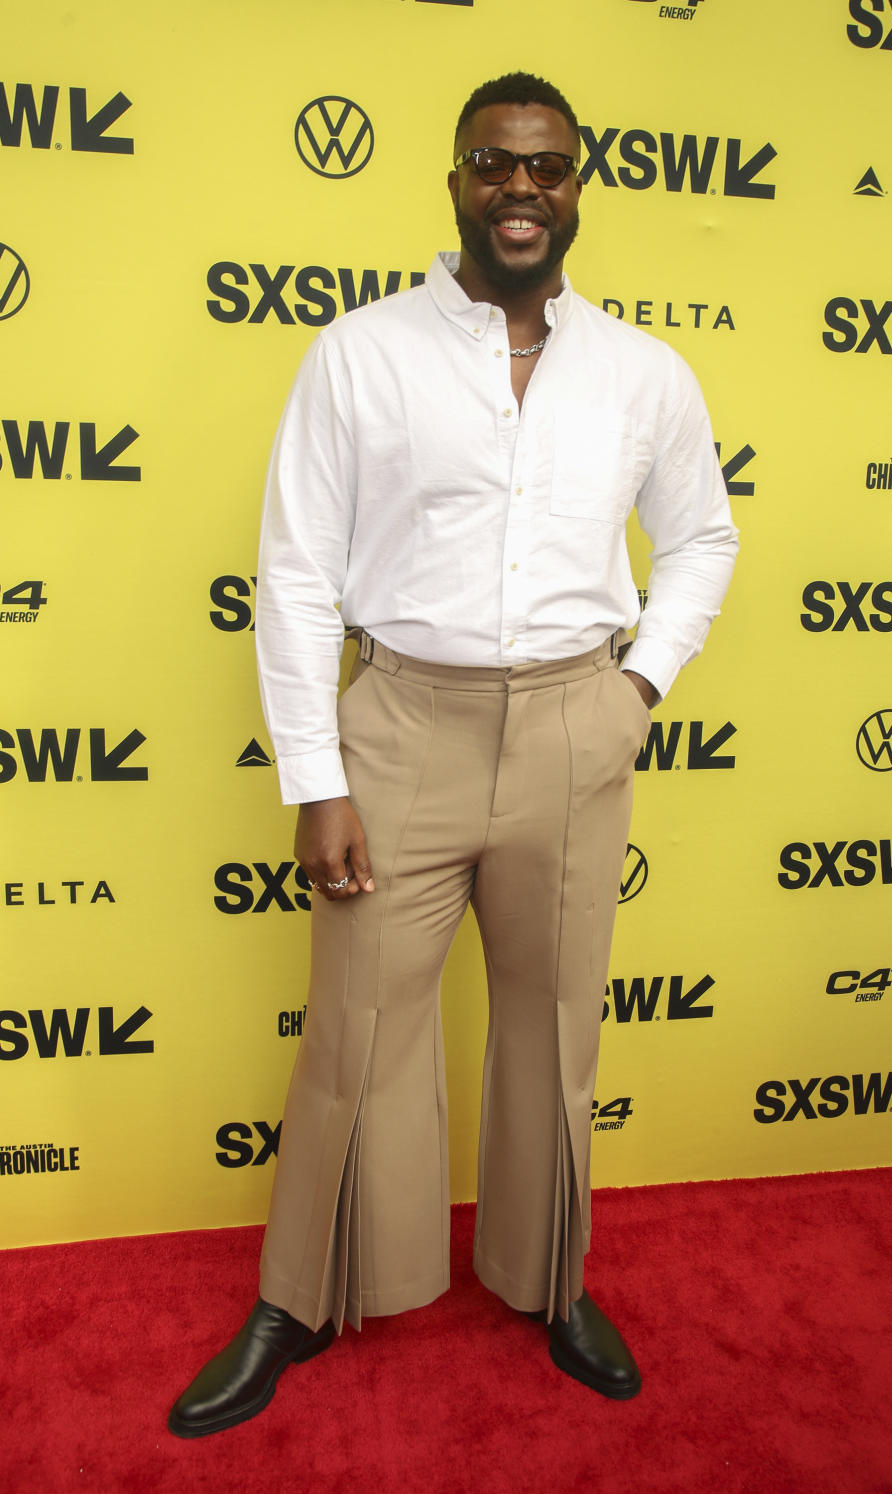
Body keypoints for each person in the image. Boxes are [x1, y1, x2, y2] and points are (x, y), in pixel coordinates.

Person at [169, 70, 738, 1438]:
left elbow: (703, 535)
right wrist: (318, 775)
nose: (521, 188)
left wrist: (640, 684)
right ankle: (299, 1296)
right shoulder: (359, 353)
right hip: (402, 728)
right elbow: (298, 573)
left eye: (546, 165)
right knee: (356, 1026)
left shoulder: (642, 371)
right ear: (457, 183)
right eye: (494, 163)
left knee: (558, 1029)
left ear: (580, 184)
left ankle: (555, 1280)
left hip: (571, 726)